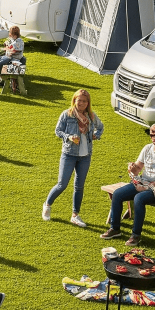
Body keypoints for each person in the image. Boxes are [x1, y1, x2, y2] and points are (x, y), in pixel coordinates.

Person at [100, 122, 155, 245]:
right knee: (117, 194)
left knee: (139, 198)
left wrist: (146, 187)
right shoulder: (147, 148)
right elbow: (137, 169)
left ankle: (135, 235)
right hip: (143, 182)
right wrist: (132, 168)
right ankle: (114, 229)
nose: (154, 139)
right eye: (151, 135)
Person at [41, 89, 104, 228]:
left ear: (88, 103)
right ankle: (47, 204)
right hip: (69, 154)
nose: (81, 103)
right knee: (62, 184)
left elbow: (100, 127)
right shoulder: (67, 114)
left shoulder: (91, 116)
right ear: (74, 100)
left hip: (85, 156)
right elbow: (58, 131)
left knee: (79, 187)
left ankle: (75, 215)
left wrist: (96, 135)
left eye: (84, 101)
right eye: (78, 100)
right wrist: (68, 137)